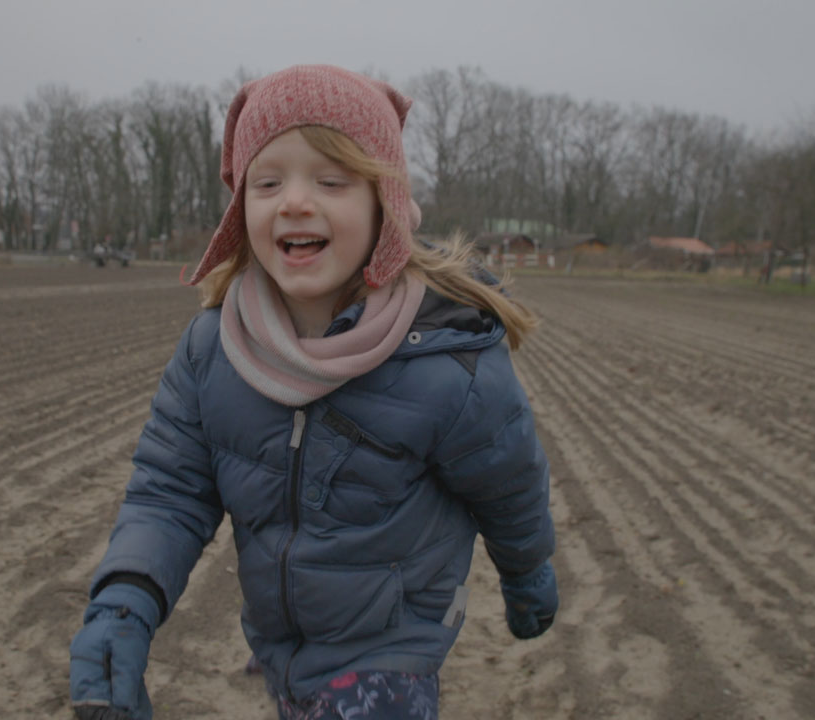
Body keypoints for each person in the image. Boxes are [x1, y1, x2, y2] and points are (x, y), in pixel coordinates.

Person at [69, 65, 557, 720]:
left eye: (331, 181)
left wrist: (527, 574)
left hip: (391, 655)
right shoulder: (214, 350)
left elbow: (510, 482)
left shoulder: (447, 360)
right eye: (268, 182)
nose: (295, 201)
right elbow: (169, 492)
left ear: (384, 206)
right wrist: (123, 603)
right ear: (242, 208)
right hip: (283, 650)